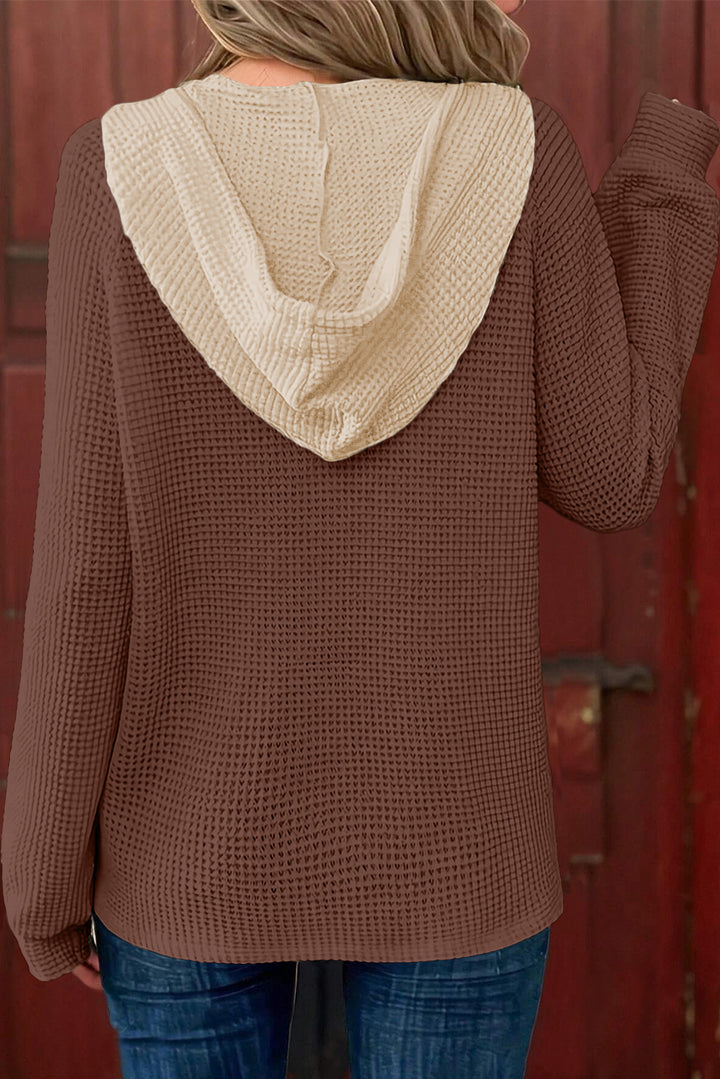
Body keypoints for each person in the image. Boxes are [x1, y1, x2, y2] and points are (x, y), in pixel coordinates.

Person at [2, 0, 718, 1076]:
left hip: (186, 849)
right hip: (458, 844)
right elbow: (612, 473)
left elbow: (85, 574)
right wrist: (660, 175)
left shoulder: (119, 164)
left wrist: (43, 874)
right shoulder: (513, 147)